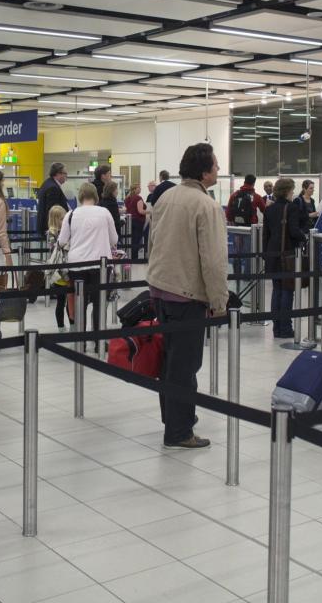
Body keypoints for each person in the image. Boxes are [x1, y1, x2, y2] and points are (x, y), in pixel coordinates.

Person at [146, 143, 227, 449]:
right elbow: (214, 260)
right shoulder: (205, 205)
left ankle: (174, 419)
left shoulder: (167, 196)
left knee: (170, 362)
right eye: (216, 165)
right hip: (187, 295)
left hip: (161, 289)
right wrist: (219, 302)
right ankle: (179, 432)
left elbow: (152, 241)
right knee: (185, 366)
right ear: (205, 172)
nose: (218, 170)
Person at [59, 182, 119, 340]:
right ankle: (99, 341)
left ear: (80, 197)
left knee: (80, 303)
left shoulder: (71, 214)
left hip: (77, 264)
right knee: (99, 304)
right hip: (101, 264)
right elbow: (114, 239)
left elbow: (62, 240)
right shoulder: (104, 212)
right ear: (96, 196)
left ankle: (81, 341)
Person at [263, 178, 307, 339]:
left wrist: (265, 256)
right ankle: (286, 329)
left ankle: (277, 329)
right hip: (287, 255)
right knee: (287, 292)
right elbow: (294, 231)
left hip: (272, 255)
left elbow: (265, 235)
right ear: (288, 190)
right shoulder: (292, 208)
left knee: (277, 291)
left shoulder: (269, 209)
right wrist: (305, 237)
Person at [46, 205, 71, 329]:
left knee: (70, 301)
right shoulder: (52, 234)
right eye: (62, 219)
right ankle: (61, 326)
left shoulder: (66, 231)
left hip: (68, 268)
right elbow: (54, 249)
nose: (64, 221)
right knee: (61, 302)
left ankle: (72, 323)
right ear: (56, 220)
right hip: (59, 272)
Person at [35, 162, 70, 236]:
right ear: (58, 174)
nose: (66, 176)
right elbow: (53, 212)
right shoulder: (53, 188)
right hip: (52, 229)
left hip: (49, 228)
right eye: (65, 173)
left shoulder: (48, 183)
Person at [125, 183, 147, 260]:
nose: (140, 189)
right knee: (137, 240)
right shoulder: (138, 198)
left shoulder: (127, 198)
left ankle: (130, 256)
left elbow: (127, 210)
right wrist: (149, 211)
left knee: (131, 239)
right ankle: (134, 257)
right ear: (135, 189)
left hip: (129, 221)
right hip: (138, 221)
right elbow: (140, 211)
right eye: (139, 187)